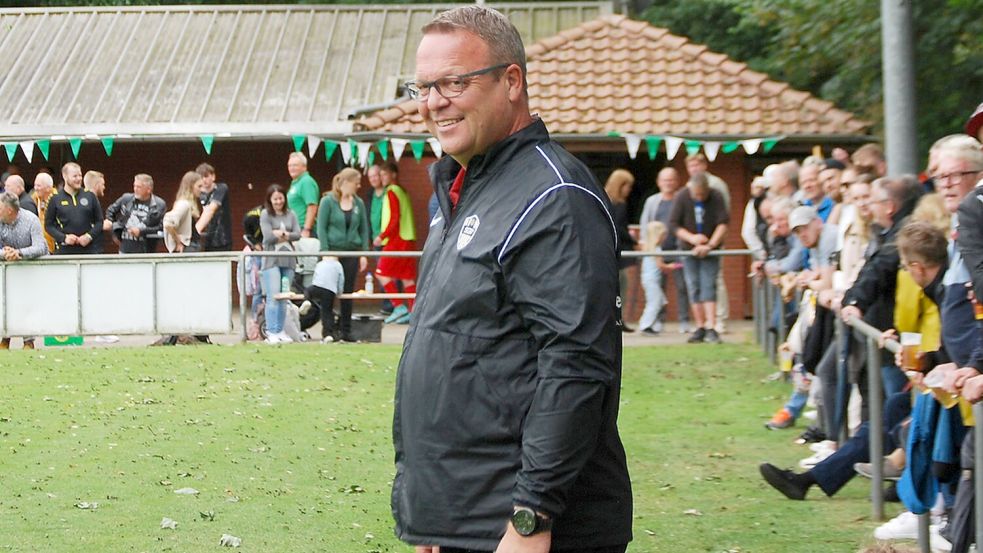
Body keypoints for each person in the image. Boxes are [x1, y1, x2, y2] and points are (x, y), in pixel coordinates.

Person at [392, 6, 632, 553]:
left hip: (525, 527)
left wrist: (532, 516)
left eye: (454, 81)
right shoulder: (462, 187)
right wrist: (434, 514)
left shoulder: (553, 196)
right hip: (465, 516)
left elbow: (575, 364)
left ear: (512, 81)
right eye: (423, 86)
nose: (433, 101)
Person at [670, 172, 729, 344]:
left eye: (702, 194)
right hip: (689, 250)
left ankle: (712, 326)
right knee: (693, 286)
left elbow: (723, 223)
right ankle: (700, 326)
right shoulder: (682, 196)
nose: (699, 197)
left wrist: (710, 245)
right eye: (696, 194)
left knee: (708, 285)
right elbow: (674, 224)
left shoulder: (716, 196)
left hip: (710, 250)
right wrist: (692, 239)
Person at [316, 167, 370, 343]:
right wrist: (325, 252)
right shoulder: (327, 201)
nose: (358, 186)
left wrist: (363, 253)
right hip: (332, 253)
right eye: (356, 182)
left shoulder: (358, 203)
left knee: (348, 292)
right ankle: (328, 330)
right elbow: (321, 228)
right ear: (346, 182)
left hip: (351, 251)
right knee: (329, 292)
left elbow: (364, 229)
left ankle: (346, 329)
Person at [638, 167, 691, 333]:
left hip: (678, 250)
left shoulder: (681, 199)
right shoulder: (653, 201)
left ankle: (684, 321)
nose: (668, 183)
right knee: (657, 288)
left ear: (677, 181)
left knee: (682, 287)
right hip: (656, 251)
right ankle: (658, 321)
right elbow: (644, 223)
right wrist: (645, 244)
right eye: (665, 180)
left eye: (671, 180)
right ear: (659, 182)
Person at [685, 152, 730, 333]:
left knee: (715, 280)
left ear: (704, 165)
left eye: (697, 165)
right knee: (696, 283)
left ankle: (720, 319)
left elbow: (724, 216)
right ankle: (702, 322)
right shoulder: (688, 186)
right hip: (694, 243)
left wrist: (713, 241)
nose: (694, 169)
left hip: (714, 241)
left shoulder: (716, 185)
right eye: (691, 166)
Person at [0, 191, 49, 350]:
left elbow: (41, 247)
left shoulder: (31, 220)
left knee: (26, 305)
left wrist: (19, 253)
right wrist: (6, 254)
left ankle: (28, 341)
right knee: (5, 302)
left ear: (9, 210)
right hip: (7, 272)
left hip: (30, 271)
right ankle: (5, 337)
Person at [373, 160, 416, 325]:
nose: (382, 177)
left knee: (381, 272)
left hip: (396, 239)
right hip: (408, 238)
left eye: (385, 174)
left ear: (393, 175)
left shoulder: (391, 191)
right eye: (381, 174)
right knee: (407, 278)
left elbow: (394, 218)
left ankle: (399, 306)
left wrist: (382, 236)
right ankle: (413, 310)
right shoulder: (402, 191)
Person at [259, 184, 300, 345]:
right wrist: (280, 235)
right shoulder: (265, 214)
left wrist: (282, 234)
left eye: (280, 198)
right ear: (270, 200)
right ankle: (272, 331)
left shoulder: (291, 214)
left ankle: (281, 330)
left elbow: (297, 234)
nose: (278, 202)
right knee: (273, 295)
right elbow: (267, 237)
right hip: (272, 260)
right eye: (275, 199)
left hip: (289, 259)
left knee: (284, 297)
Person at [45, 162, 103, 255]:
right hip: (64, 252)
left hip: (89, 251)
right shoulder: (55, 198)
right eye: (75, 176)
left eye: (80, 175)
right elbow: (48, 226)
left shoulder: (90, 196)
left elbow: (99, 222)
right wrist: (64, 238)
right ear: (65, 176)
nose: (79, 179)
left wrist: (89, 236)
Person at [604, 169, 636, 332]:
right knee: (622, 284)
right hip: (619, 251)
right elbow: (620, 228)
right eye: (627, 186)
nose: (629, 190)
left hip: (607, 249)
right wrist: (634, 240)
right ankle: (618, 319)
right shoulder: (620, 205)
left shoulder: (604, 202)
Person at [103, 173, 166, 254]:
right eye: (134, 186)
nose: (135, 189)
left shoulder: (159, 204)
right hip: (125, 247)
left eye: (139, 187)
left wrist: (141, 231)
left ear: (149, 189)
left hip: (146, 250)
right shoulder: (126, 199)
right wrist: (110, 222)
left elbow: (160, 227)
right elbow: (111, 210)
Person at [301, 256, 346, 343]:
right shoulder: (338, 265)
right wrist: (339, 291)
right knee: (326, 312)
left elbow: (315, 276)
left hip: (316, 286)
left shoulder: (320, 264)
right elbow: (341, 279)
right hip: (330, 290)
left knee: (307, 291)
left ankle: (306, 300)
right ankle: (327, 334)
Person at [637, 221, 671, 336]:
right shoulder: (656, 250)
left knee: (661, 301)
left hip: (649, 279)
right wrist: (673, 266)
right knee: (654, 303)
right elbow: (661, 265)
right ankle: (645, 325)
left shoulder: (647, 247)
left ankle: (654, 325)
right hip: (651, 280)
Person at [194, 163, 232, 252]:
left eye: (206, 176)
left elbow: (211, 210)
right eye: (201, 177)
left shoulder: (221, 188)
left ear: (213, 177)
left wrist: (196, 231)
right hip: (207, 239)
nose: (204, 180)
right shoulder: (197, 193)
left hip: (223, 239)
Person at [163, 172, 203, 254]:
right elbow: (168, 223)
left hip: (190, 246)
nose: (201, 189)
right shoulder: (184, 204)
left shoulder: (186, 203)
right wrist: (178, 241)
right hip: (187, 247)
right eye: (199, 186)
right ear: (191, 187)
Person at [286, 152, 319, 238]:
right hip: (294, 228)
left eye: (295, 165)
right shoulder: (296, 183)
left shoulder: (306, 182)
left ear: (304, 167)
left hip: (303, 229)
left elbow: (312, 206)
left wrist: (306, 229)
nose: (291, 168)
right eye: (290, 166)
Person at [21, 173, 56, 253]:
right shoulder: (33, 198)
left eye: (39, 186)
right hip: (39, 244)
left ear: (48, 188)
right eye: (35, 185)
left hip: (54, 245)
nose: (36, 188)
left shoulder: (57, 199)